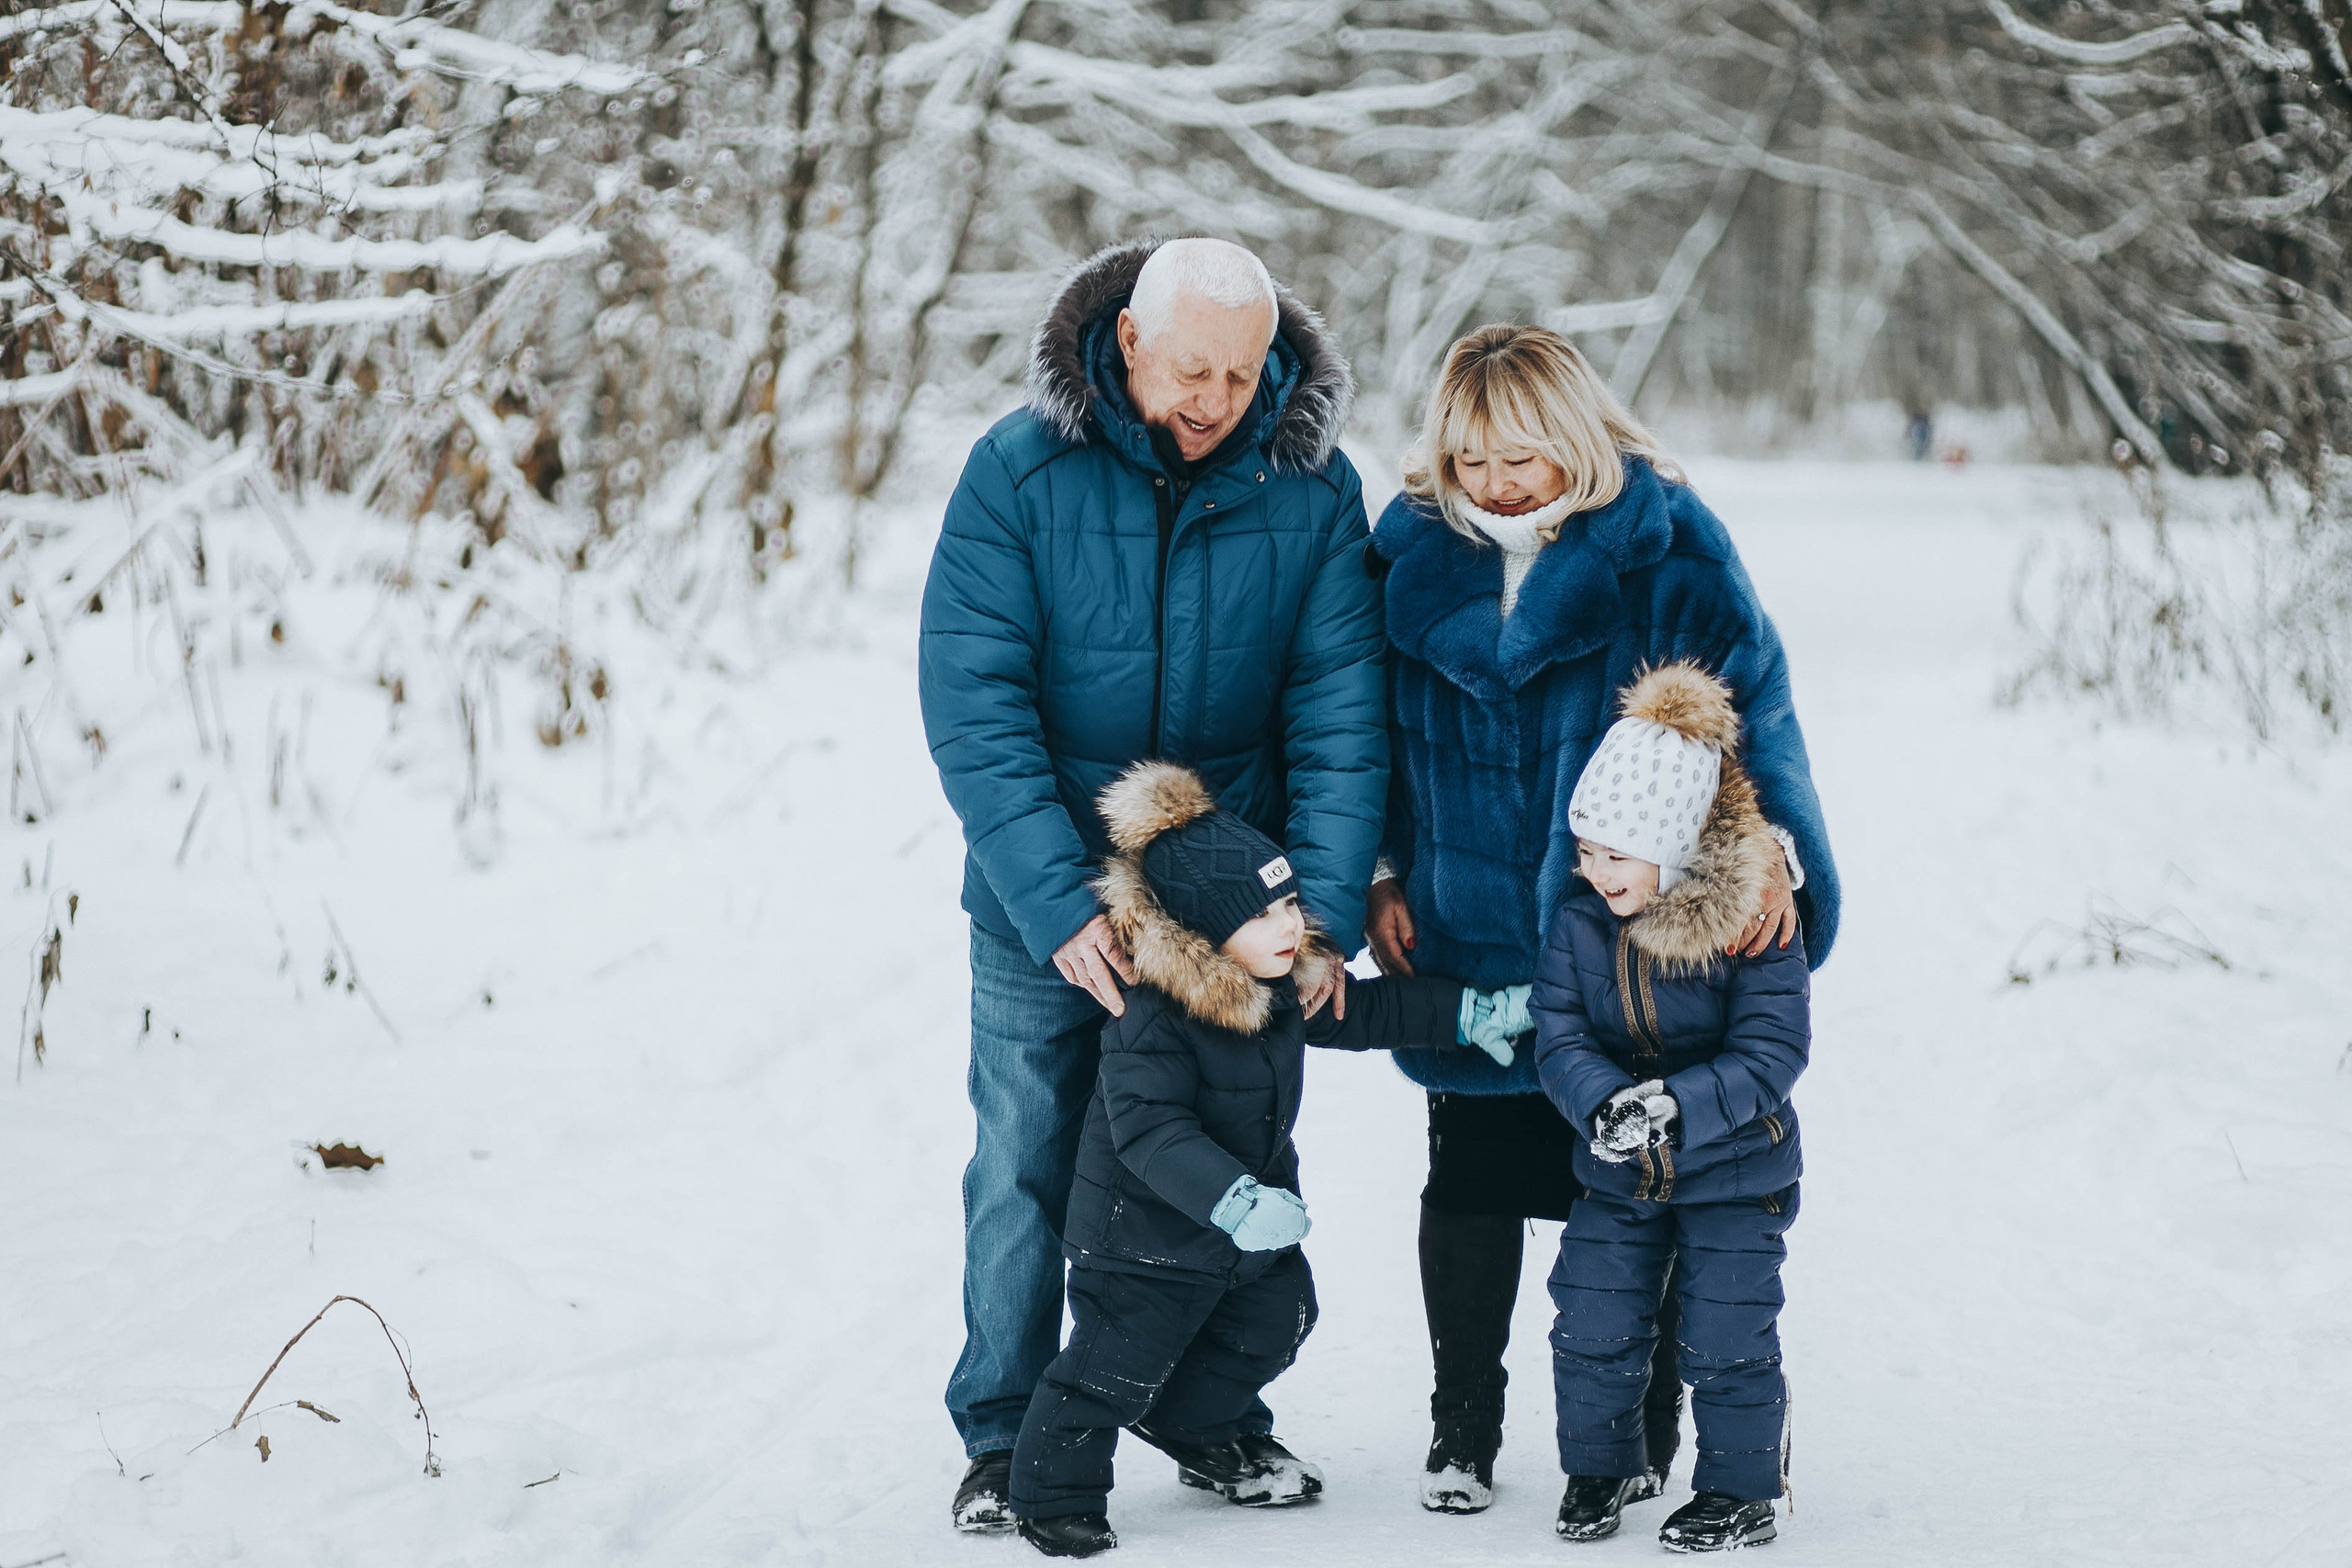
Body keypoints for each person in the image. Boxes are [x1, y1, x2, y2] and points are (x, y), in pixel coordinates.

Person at [919, 237, 1387, 1532]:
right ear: (1128, 338)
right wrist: (1057, 902)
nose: (1216, 398)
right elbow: (976, 698)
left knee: (1224, 1161)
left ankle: (1204, 1412)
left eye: (1242, 374)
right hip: (1042, 902)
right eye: (1193, 368)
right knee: (1024, 1156)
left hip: (1221, 919)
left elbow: (1340, 710)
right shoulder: (1015, 470)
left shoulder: (1312, 488)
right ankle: (1007, 1434)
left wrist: (1325, 910)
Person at [1362, 324, 1838, 1514]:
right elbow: (1355, 729)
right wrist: (1374, 870)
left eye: (1524, 455)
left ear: (1576, 435)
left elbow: (1753, 707)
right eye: (1472, 459)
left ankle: (1637, 1432)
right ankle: (1461, 1421)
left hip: (1625, 934)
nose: (1499, 484)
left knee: (1625, 1187)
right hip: (1464, 920)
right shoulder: (1409, 552)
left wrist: (1772, 852)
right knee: (1468, 1177)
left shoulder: (1667, 546)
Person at [1007, 761, 1521, 1558]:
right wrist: (1234, 1198)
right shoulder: (1152, 1014)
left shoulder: (1275, 980)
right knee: (1109, 1367)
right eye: (1265, 911)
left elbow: (1367, 1010)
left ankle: (1192, 1423)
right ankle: (1051, 1491)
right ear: (1205, 930)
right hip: (1143, 1238)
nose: (1290, 924)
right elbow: (1148, 1131)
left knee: (1284, 1317)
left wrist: (1468, 1012)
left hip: (1243, 1233)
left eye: (1289, 901)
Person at [1532, 662, 1808, 1552]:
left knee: (1725, 1329)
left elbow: (1772, 1053)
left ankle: (1739, 1491)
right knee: (1591, 1317)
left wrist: (1676, 1108)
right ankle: (1603, 1466)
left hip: (1735, 1169)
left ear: (1675, 843)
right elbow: (1558, 1034)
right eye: (1585, 849)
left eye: (1615, 852)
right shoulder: (1578, 926)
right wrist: (1605, 1102)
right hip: (1620, 1170)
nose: (1593, 870)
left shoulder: (1753, 927)